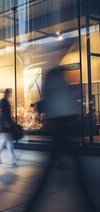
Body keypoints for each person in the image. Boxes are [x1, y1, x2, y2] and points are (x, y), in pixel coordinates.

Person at [26, 67, 97, 212]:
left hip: (59, 125)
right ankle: (88, 203)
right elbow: (58, 100)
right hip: (60, 124)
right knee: (73, 166)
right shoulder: (54, 74)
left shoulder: (53, 75)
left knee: (54, 168)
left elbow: (52, 99)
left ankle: (88, 202)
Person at [0, 88, 17, 165]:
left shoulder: (5, 100)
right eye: (10, 93)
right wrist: (6, 122)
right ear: (7, 93)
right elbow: (3, 112)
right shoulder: (4, 101)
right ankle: (12, 158)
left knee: (4, 141)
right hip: (5, 123)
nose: (11, 94)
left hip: (5, 123)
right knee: (8, 141)